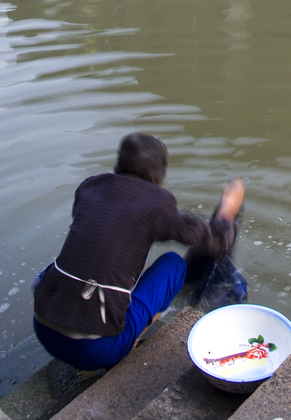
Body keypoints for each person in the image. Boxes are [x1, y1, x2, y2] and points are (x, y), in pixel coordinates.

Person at [33, 133, 244, 370]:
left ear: (118, 163)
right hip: (95, 351)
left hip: (43, 327)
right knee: (173, 264)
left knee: (82, 258)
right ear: (157, 176)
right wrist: (228, 208)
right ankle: (132, 340)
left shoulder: (90, 188)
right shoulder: (156, 203)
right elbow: (217, 240)